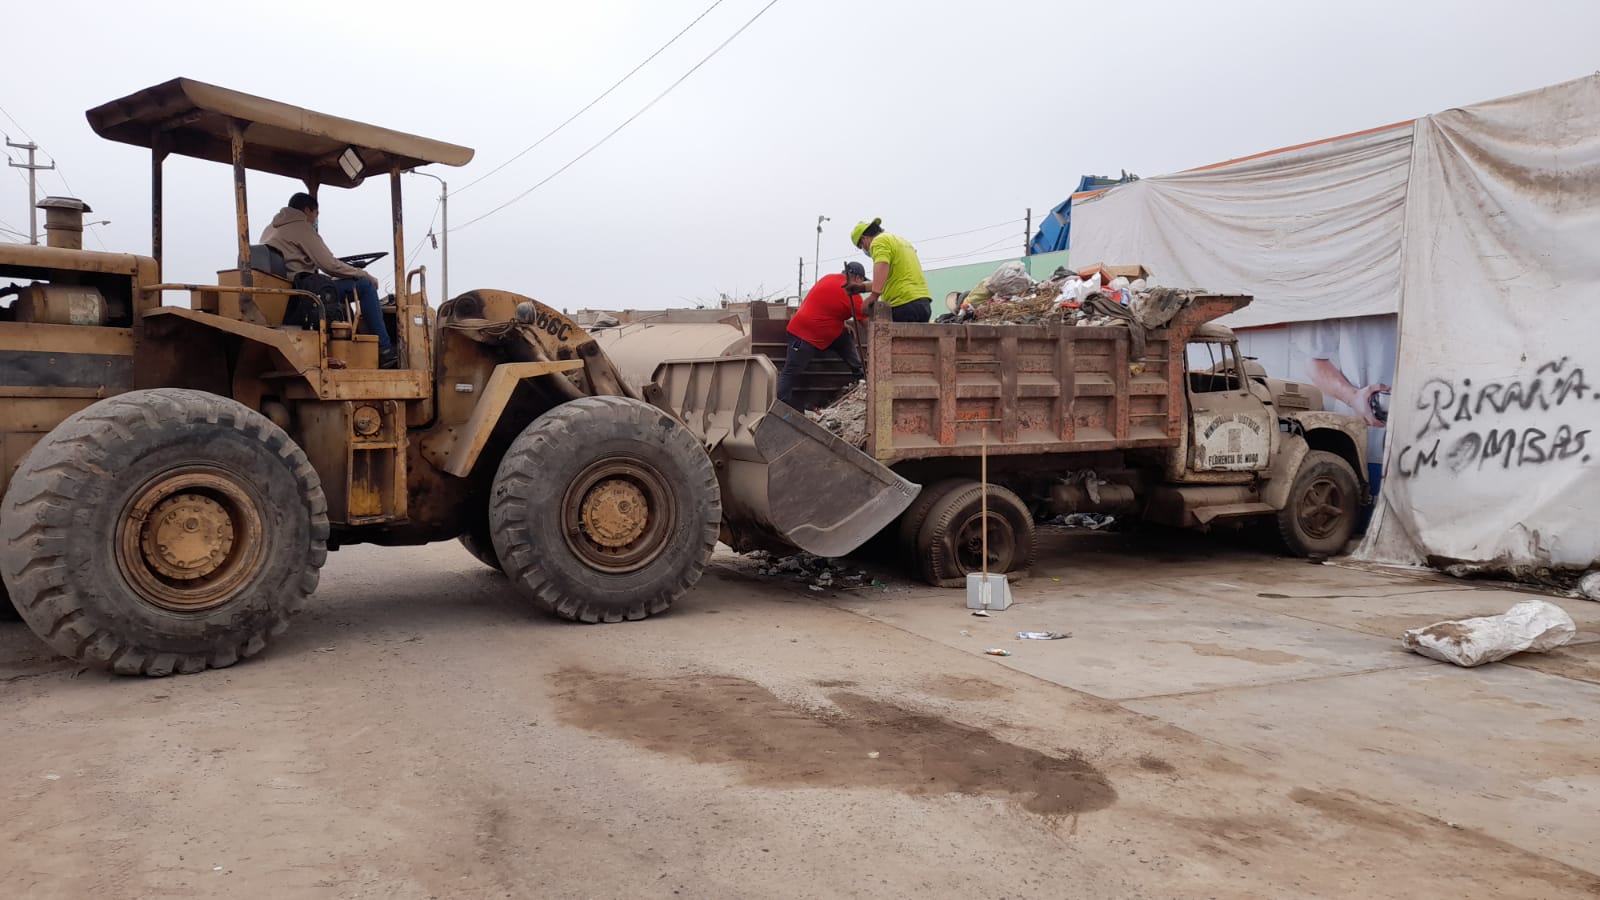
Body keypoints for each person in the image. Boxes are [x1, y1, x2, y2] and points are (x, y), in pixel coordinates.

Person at [262, 192, 396, 368]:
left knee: (339, 289)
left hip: (289, 291)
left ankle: (348, 339)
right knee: (365, 286)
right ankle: (385, 349)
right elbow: (329, 265)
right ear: (307, 210)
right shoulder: (301, 228)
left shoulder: (271, 228)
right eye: (316, 214)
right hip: (304, 295)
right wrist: (362, 273)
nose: (316, 219)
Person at [777, 261, 870, 408]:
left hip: (817, 329)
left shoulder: (828, 278)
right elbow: (868, 325)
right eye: (862, 283)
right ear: (857, 278)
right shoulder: (853, 295)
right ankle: (781, 403)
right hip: (804, 334)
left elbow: (822, 303)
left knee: (844, 337)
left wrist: (844, 323)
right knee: (792, 370)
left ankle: (860, 375)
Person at [850, 217, 932, 323]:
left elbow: (882, 264)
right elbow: (891, 277)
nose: (864, 250)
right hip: (923, 303)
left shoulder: (878, 242)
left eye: (861, 246)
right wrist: (862, 287)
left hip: (903, 304)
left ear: (864, 239)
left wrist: (874, 296)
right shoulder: (901, 241)